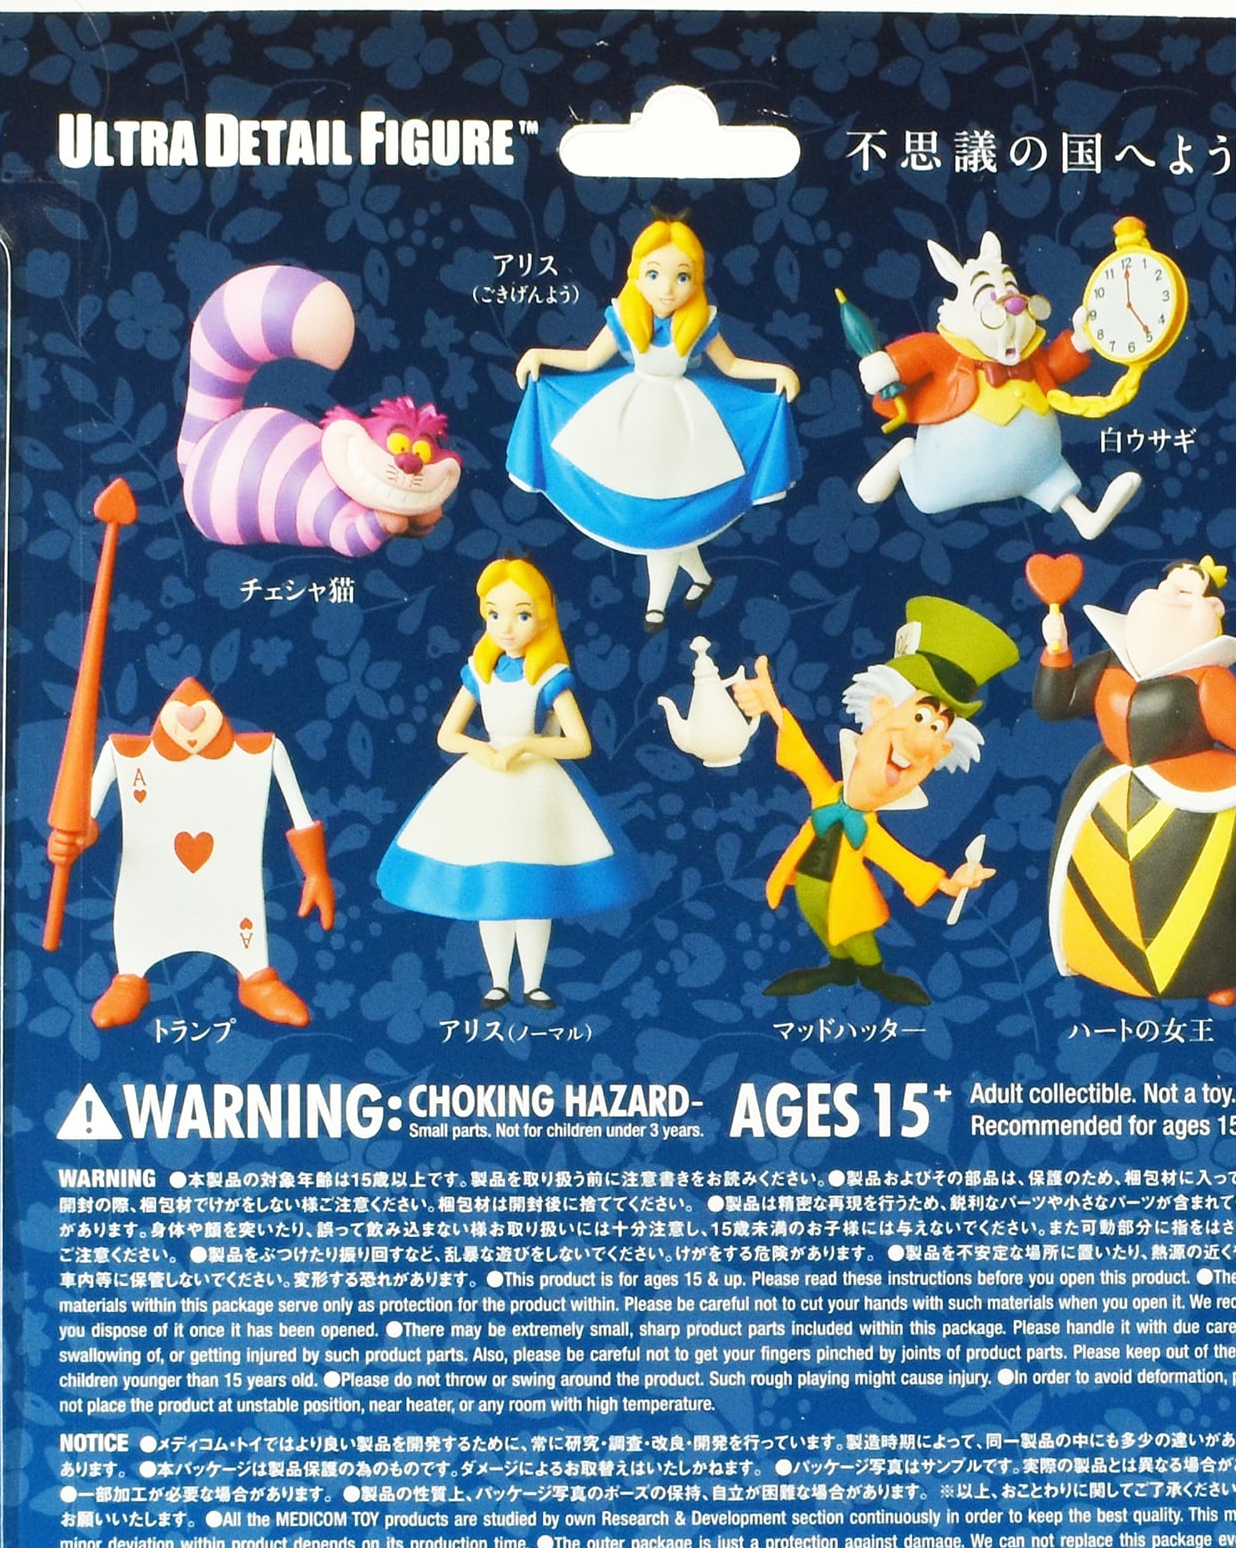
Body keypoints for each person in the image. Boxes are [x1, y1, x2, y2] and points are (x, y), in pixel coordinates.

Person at [1031, 554, 1236, 1002]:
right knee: (1098, 886)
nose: (1174, 594)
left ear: (1213, 611)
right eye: (1170, 585)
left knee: (1198, 893)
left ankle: (1210, 974)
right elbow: (1056, 704)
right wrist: (1056, 651)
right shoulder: (1110, 664)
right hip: (1103, 797)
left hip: (1188, 806)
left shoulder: (1206, 679)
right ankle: (1098, 958)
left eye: (1189, 591)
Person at [377, 557, 646, 1008]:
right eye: (494, 614)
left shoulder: (550, 678)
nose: (506, 627)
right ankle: (499, 981)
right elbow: (447, 734)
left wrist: (525, 746)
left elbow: (579, 743)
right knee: (492, 889)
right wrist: (481, 750)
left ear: (542, 617)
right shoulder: (479, 673)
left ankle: (534, 982)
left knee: (534, 892)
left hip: (536, 789)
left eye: (521, 615)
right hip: (485, 783)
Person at [508, 218, 801, 626]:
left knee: (668, 520)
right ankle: (700, 579)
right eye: (653, 274)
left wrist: (776, 372)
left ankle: (656, 605)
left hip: (682, 427)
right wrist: (540, 354)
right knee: (662, 522)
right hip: (632, 420)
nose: (667, 289)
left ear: (695, 280)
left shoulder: (699, 324)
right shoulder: (625, 319)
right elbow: (589, 359)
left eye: (681, 276)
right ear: (637, 276)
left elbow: (732, 365)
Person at [731, 597, 1012, 1007]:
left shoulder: (869, 830)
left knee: (857, 935)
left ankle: (874, 974)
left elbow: (903, 863)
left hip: (846, 896)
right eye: (920, 717)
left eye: (937, 730)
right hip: (808, 884)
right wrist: (771, 704)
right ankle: (838, 967)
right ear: (881, 709)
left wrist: (952, 884)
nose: (919, 747)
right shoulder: (826, 794)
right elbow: (801, 754)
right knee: (821, 923)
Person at [48, 673, 335, 1029]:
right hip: (150, 883)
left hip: (230, 881)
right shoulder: (125, 755)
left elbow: (298, 810)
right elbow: (81, 820)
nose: (191, 730)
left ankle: (257, 980)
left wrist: (316, 871)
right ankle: (129, 980)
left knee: (242, 925)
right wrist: (68, 841)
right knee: (139, 924)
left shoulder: (261, 754)